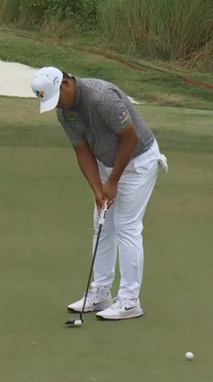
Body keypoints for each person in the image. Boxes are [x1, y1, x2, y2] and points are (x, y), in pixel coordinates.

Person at [30, 66, 167, 321]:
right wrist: (97, 189)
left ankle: (129, 301)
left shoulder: (101, 97)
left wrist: (112, 181)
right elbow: (82, 151)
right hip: (108, 164)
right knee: (102, 223)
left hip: (138, 161)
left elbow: (130, 139)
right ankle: (101, 293)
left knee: (126, 225)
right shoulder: (64, 112)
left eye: (57, 98)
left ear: (66, 84)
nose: (57, 105)